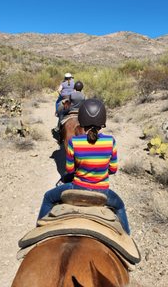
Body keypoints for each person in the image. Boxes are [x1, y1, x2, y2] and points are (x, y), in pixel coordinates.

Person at [38, 98, 130, 234]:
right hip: (103, 191)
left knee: (48, 197)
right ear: (102, 122)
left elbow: (70, 170)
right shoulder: (110, 141)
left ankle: (40, 230)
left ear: (81, 120)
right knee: (120, 207)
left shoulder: (74, 142)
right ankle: (126, 237)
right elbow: (113, 169)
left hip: (77, 187)